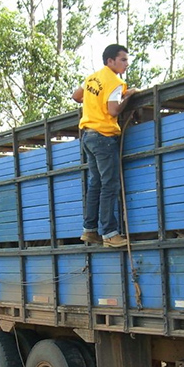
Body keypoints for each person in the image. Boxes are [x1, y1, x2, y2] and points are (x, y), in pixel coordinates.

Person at [72, 44, 138, 248]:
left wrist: (93, 102)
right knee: (110, 185)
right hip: (103, 136)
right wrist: (128, 95)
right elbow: (113, 110)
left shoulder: (93, 77)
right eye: (123, 59)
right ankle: (110, 233)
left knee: (95, 185)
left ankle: (90, 230)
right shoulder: (116, 81)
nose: (126, 64)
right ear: (111, 61)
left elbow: (76, 96)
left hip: (88, 136)